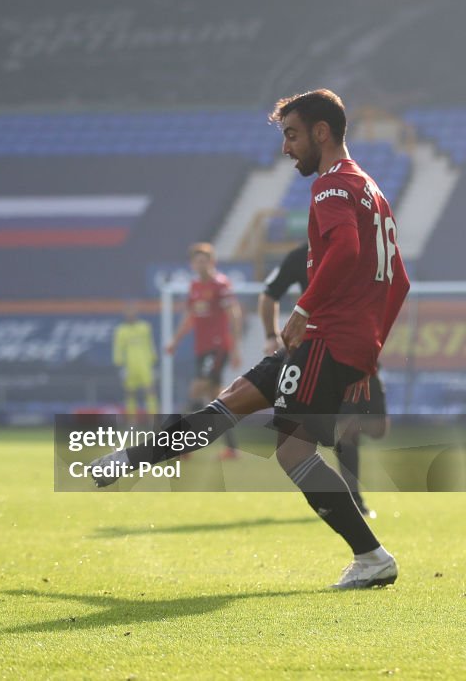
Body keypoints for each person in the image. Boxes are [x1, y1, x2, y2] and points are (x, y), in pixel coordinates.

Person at [94, 90, 410, 589]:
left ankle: (371, 556)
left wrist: (304, 309)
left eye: (292, 135)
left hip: (327, 339)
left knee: (291, 451)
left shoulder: (331, 187)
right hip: (339, 344)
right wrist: (368, 358)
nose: (286, 148)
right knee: (232, 400)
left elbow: (346, 251)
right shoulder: (370, 189)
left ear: (320, 132)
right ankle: (130, 459)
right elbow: (400, 281)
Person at [261, 242, 389, 518]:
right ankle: (352, 500)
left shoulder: (357, 250)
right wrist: (270, 335)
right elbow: (269, 294)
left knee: (378, 428)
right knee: (347, 430)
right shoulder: (299, 256)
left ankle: (327, 438)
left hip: (362, 351)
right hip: (321, 354)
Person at [165, 243, 242, 458]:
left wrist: (234, 349)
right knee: (215, 398)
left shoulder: (220, 284)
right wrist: (175, 340)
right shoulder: (195, 287)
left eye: (205, 260)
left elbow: (234, 314)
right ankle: (232, 448)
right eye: (197, 260)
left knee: (195, 390)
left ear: (212, 262)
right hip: (202, 348)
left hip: (217, 348)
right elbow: (189, 317)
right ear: (192, 264)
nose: (201, 264)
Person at [112, 300, 158, 416]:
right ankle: (132, 421)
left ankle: (154, 419)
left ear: (136, 312)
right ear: (124, 313)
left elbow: (150, 344)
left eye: (132, 310)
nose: (130, 313)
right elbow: (118, 348)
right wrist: (119, 365)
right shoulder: (121, 330)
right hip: (129, 366)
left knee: (150, 390)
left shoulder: (144, 327)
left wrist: (153, 360)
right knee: (130, 393)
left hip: (145, 365)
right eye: (128, 311)